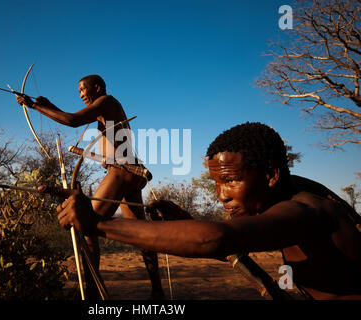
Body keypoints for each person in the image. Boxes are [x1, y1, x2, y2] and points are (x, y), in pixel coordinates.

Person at [57, 122, 361, 300]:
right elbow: (229, 243)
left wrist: (99, 224)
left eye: (230, 181)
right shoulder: (292, 196)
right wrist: (188, 224)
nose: (222, 196)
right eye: (216, 183)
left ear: (271, 175)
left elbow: (216, 238)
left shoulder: (304, 211)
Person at [17, 75, 165, 299]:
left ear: (97, 87)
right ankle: (157, 291)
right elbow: (72, 117)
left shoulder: (107, 101)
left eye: (83, 90)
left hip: (122, 171)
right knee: (142, 233)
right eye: (78, 92)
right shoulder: (104, 108)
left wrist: (36, 107)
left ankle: (93, 292)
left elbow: (73, 120)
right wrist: (47, 105)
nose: (81, 94)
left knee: (86, 225)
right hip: (131, 171)